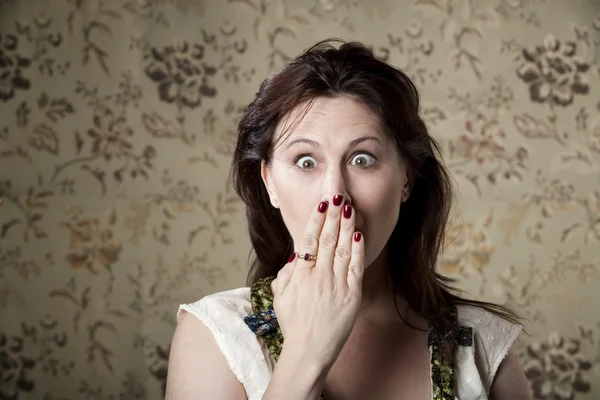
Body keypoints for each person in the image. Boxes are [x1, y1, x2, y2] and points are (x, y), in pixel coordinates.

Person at [165, 39, 532, 400]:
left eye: (362, 159)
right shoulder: (214, 336)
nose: (335, 194)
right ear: (270, 183)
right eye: (306, 162)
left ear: (407, 178)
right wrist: (305, 357)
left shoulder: (484, 346)